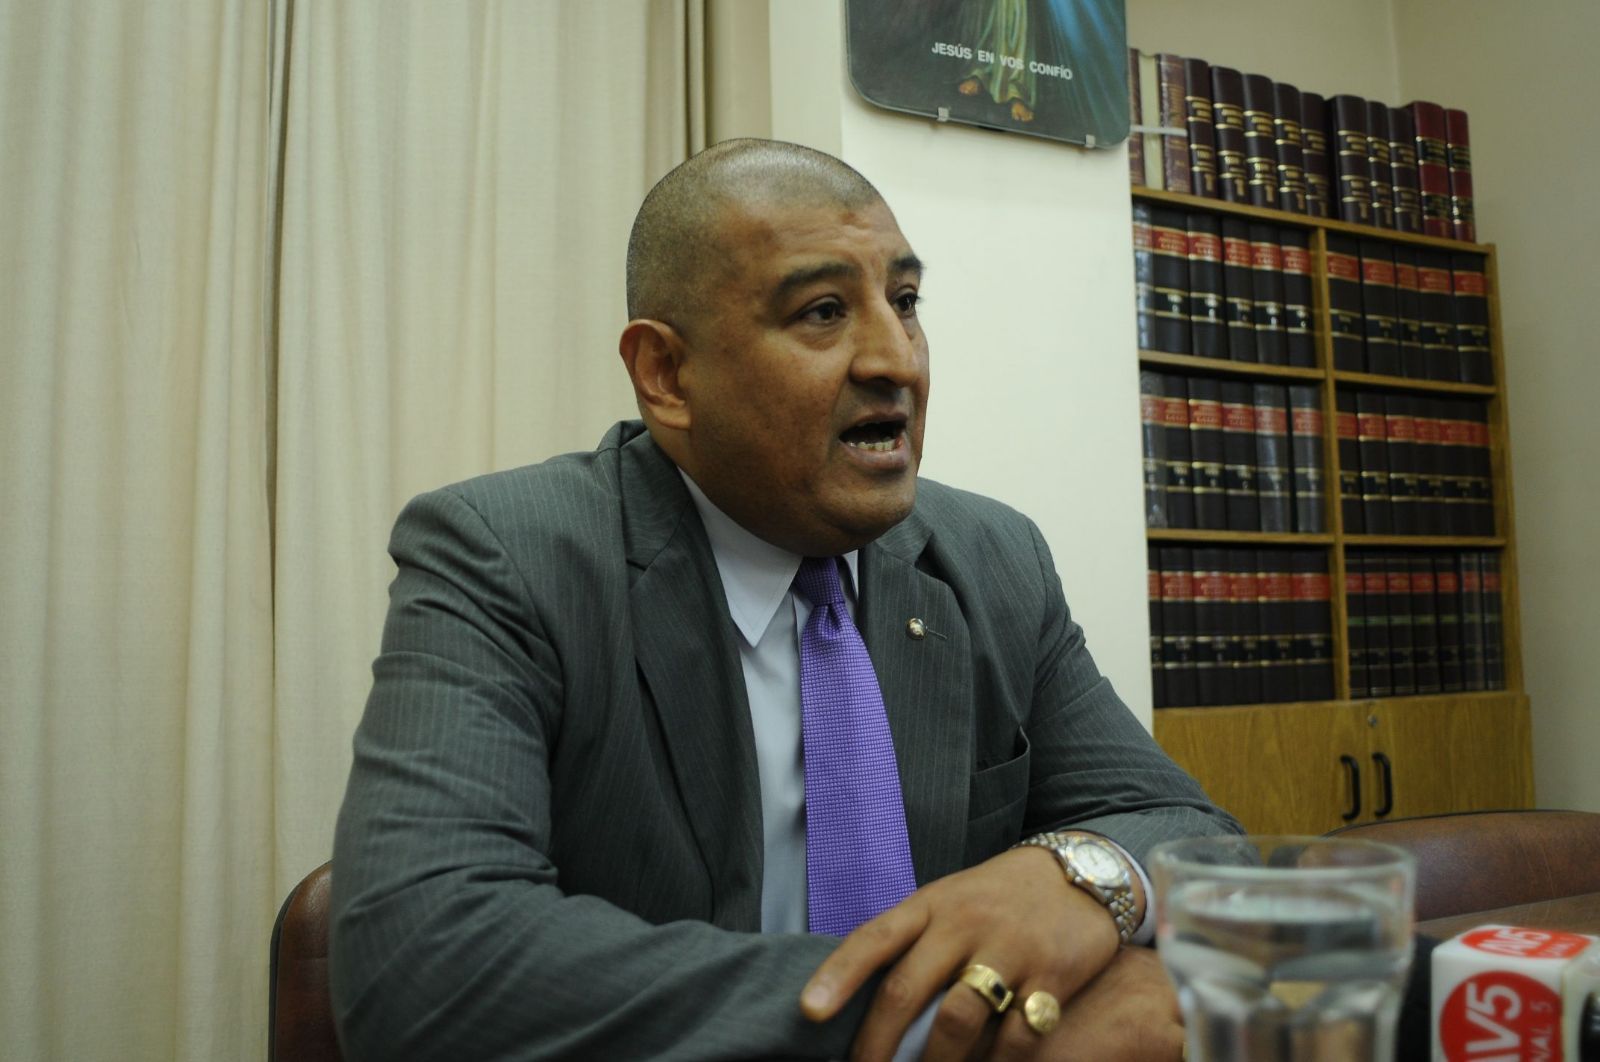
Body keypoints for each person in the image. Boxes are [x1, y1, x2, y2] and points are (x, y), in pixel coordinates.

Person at [329, 138, 1241, 1061]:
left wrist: (1079, 875)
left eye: (906, 302)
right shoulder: (505, 555)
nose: (897, 360)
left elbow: (1195, 838)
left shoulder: (994, 558)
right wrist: (945, 1014)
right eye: (823, 312)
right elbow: (422, 966)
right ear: (667, 376)